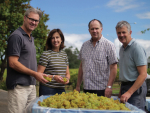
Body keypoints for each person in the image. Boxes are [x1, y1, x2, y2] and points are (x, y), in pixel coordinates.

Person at [6, 8, 48, 113]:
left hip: (31, 85)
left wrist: (37, 75)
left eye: (36, 21)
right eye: (31, 19)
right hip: (19, 87)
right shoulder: (16, 36)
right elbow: (13, 63)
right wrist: (35, 74)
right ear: (25, 18)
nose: (33, 22)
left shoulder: (30, 37)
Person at [76, 19, 118, 97]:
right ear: (89, 30)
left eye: (96, 28)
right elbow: (82, 66)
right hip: (86, 89)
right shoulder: (84, 45)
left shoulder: (109, 45)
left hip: (102, 90)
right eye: (92, 29)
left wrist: (109, 86)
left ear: (101, 29)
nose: (94, 31)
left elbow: (113, 68)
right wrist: (78, 86)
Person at [116, 20, 147, 110]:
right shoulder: (122, 49)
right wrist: (121, 91)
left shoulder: (136, 48)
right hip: (125, 87)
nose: (121, 35)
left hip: (136, 89)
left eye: (124, 32)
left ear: (130, 32)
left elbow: (143, 74)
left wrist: (129, 92)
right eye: (119, 33)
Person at [37, 29, 70, 96]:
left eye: (57, 37)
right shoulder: (46, 54)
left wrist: (66, 79)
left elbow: (67, 73)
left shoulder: (64, 55)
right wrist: (54, 77)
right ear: (50, 40)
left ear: (61, 39)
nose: (55, 40)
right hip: (47, 89)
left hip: (61, 90)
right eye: (52, 38)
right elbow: (39, 74)